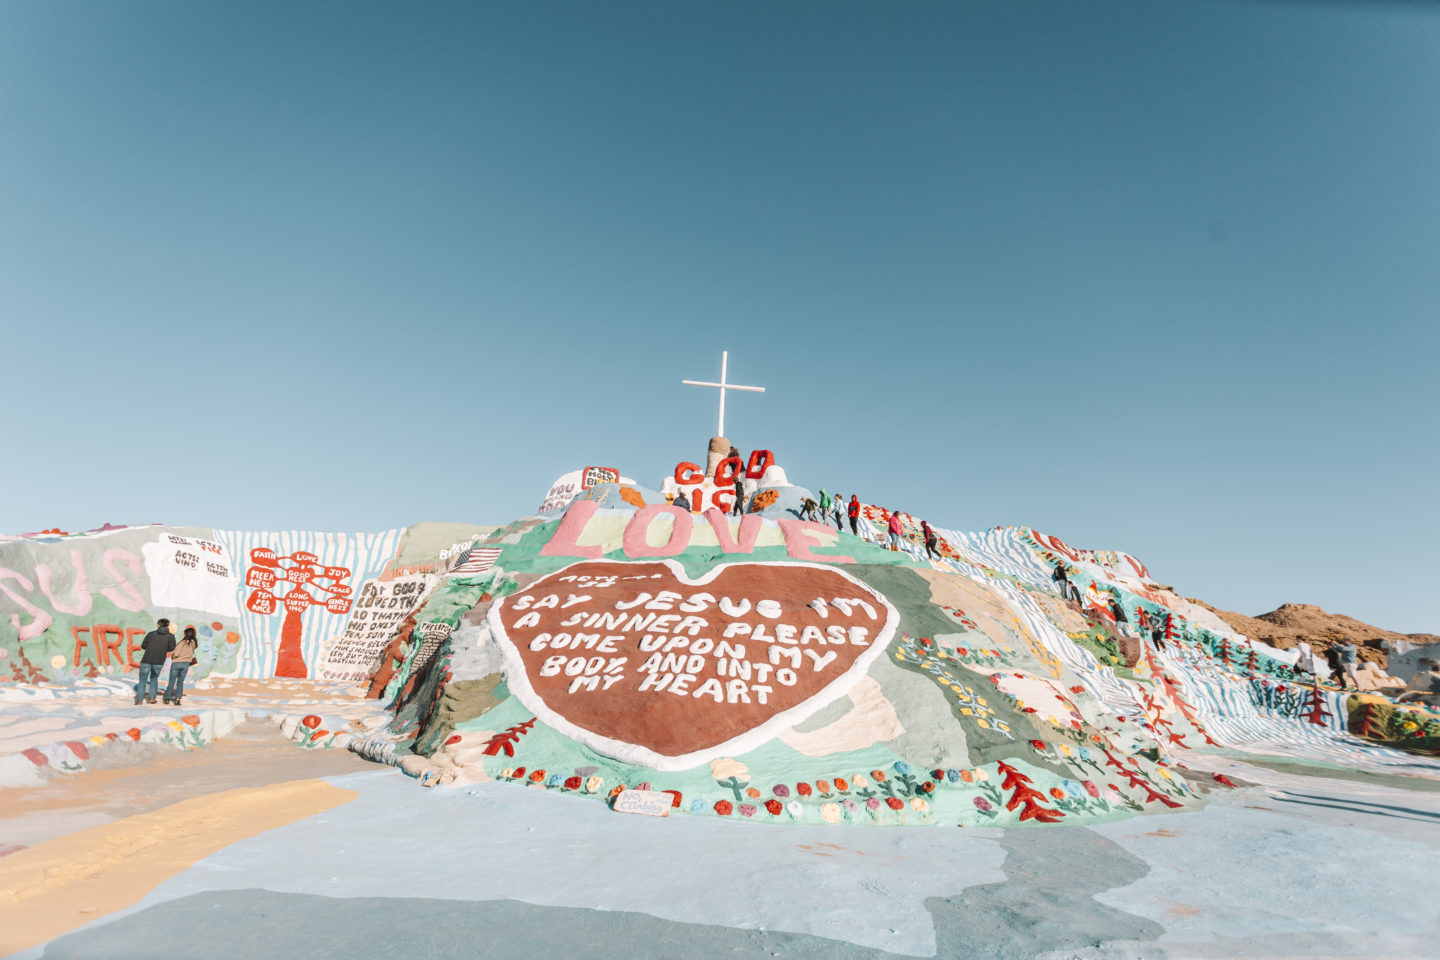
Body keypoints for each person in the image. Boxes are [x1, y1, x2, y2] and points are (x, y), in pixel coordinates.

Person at [135, 619, 175, 705]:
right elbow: (172, 648)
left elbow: (143, 646)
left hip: (146, 660)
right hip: (159, 661)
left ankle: (139, 700)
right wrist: (163, 648)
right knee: (154, 678)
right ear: (168, 626)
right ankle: (152, 698)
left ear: (158, 625)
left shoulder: (151, 634)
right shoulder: (171, 636)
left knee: (142, 681)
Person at [165, 626, 199, 705]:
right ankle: (177, 699)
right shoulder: (194, 643)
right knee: (180, 682)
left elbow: (177, 653)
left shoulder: (182, 642)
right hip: (186, 664)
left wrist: (173, 656)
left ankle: (167, 698)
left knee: (171, 682)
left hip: (177, 663)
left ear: (186, 634)